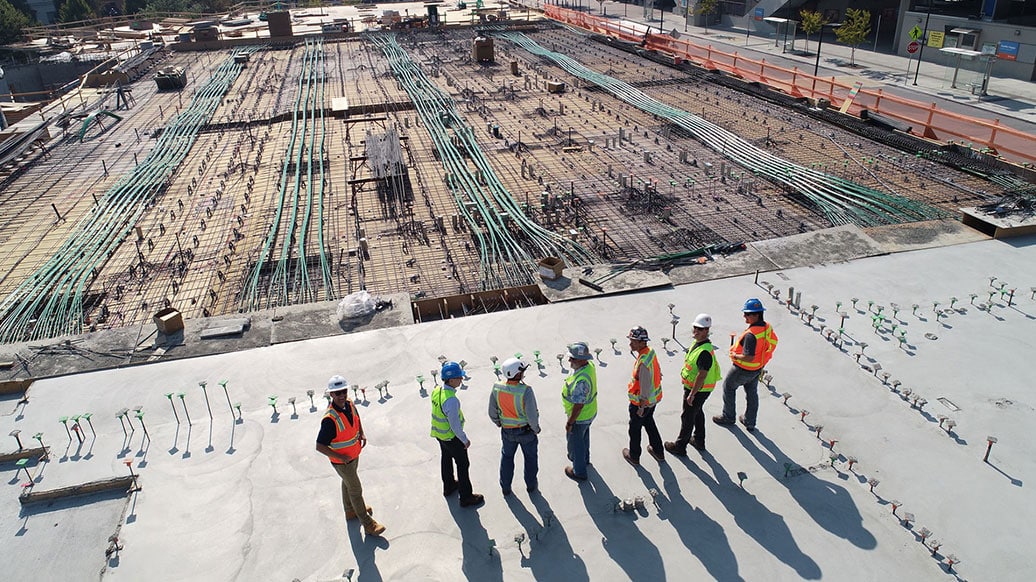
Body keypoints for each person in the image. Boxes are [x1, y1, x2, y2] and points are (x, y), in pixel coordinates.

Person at [315, 375, 385, 536]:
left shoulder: (350, 404)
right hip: (342, 462)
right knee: (355, 489)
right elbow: (320, 446)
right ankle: (368, 524)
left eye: (343, 391)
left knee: (347, 483)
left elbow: (356, 418)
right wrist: (341, 458)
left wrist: (362, 433)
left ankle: (350, 510)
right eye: (337, 393)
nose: (342, 395)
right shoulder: (329, 419)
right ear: (331, 395)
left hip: (353, 455)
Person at [713, 298, 778, 432]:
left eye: (747, 314)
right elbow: (770, 344)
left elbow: (748, 357)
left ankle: (728, 417)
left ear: (756, 315)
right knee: (752, 393)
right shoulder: (766, 327)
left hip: (742, 369)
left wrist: (734, 355)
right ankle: (750, 421)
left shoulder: (751, 335)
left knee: (728, 387)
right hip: (757, 368)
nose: (744, 316)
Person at [665, 314, 721, 455]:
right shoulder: (699, 344)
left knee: (687, 416)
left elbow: (702, 375)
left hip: (698, 390)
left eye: (700, 329)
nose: (696, 331)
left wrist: (692, 394)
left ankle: (680, 446)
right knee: (697, 412)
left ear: (707, 331)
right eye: (695, 328)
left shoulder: (704, 352)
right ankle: (699, 440)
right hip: (697, 389)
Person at [431, 361, 484, 507]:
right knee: (463, 464)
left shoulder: (437, 391)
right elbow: (454, 424)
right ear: (451, 379)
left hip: (439, 434)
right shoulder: (451, 400)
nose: (462, 379)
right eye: (459, 377)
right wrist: (464, 440)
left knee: (446, 458)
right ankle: (466, 496)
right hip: (451, 437)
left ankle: (448, 486)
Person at [488, 357, 540, 495]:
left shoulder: (497, 387)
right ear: (517, 374)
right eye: (522, 371)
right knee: (530, 459)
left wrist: (498, 422)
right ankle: (531, 485)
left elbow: (492, 411)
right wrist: (536, 429)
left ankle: (506, 487)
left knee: (507, 458)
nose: (523, 373)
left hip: (507, 431)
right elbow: (531, 415)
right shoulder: (526, 391)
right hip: (526, 432)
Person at [623, 326, 665, 465]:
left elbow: (645, 386)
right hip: (653, 401)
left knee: (634, 429)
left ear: (642, 343)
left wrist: (641, 406)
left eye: (633, 341)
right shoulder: (650, 352)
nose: (630, 343)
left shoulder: (643, 363)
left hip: (641, 404)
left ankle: (634, 456)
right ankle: (658, 450)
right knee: (649, 423)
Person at [562, 342, 597, 481]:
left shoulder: (581, 381)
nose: (570, 360)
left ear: (583, 360)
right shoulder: (589, 367)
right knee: (584, 438)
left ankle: (579, 471)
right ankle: (585, 460)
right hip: (590, 413)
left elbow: (578, 405)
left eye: (573, 358)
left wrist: (570, 422)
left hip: (580, 417)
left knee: (576, 444)